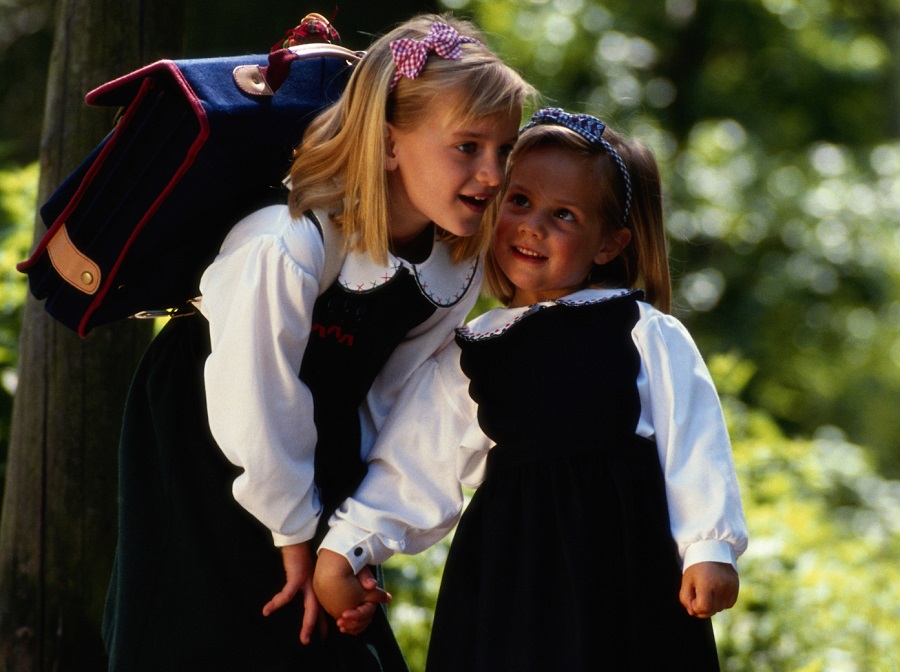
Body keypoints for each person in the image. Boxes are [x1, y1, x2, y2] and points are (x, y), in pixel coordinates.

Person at [101, 14, 533, 672]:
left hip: (323, 449)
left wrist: (349, 540)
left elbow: (391, 406)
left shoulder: (454, 268)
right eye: (468, 147)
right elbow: (255, 393)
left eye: (505, 151)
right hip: (209, 437)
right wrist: (294, 531)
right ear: (390, 143)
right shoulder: (290, 240)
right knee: (202, 632)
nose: (494, 174)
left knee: (328, 642)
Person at [314, 108, 749, 671]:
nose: (532, 226)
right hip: (509, 580)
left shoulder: (642, 331)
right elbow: (414, 463)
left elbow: (693, 443)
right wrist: (347, 549)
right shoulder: (474, 349)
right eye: (518, 201)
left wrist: (709, 547)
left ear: (609, 244)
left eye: (563, 215)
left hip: (623, 574)